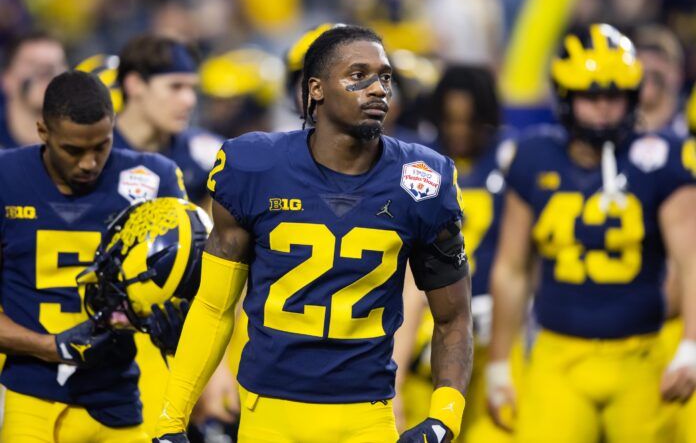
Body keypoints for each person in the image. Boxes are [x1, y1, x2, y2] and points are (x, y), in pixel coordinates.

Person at [155, 25, 473, 443]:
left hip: (366, 417)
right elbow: (214, 306)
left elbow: (453, 317)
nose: (377, 88)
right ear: (316, 90)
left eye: (385, 76)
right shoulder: (254, 165)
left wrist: (443, 418)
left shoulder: (422, 179)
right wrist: (171, 418)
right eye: (358, 75)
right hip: (267, 414)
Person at [487, 23, 696, 443]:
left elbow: (691, 261)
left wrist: (691, 344)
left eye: (614, 95)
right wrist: (498, 361)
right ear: (565, 97)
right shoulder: (533, 157)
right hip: (557, 355)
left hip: (641, 356)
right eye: (590, 96)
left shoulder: (662, 159)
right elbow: (511, 269)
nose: (603, 108)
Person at [0, 70, 188, 442]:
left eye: (100, 146)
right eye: (73, 150)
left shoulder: (152, 178)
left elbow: (193, 282)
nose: (89, 162)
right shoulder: (6, 177)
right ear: (43, 132)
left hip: (117, 397)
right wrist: (49, 347)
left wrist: (180, 320)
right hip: (32, 399)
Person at [398, 65, 517, 441]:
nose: (459, 131)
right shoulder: (419, 162)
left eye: (470, 121)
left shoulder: (513, 159)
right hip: (428, 330)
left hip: (496, 329)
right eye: (451, 120)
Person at [115, 34, 223, 206]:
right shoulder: (95, 153)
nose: (190, 100)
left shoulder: (205, 152)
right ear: (135, 84)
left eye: (192, 88)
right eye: (175, 86)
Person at [0, 31, 67, 148]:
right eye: (32, 64)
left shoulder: (88, 141)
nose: (45, 74)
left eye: (55, 66)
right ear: (7, 79)